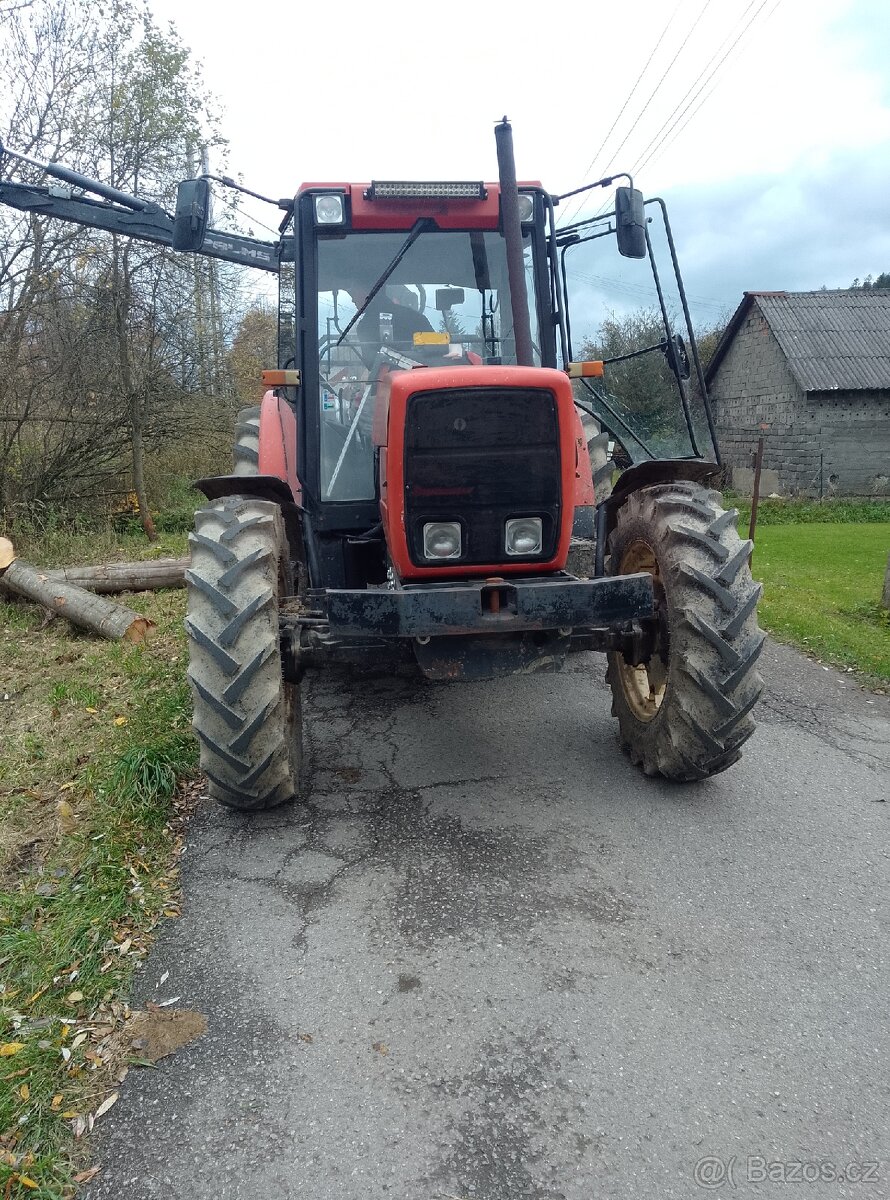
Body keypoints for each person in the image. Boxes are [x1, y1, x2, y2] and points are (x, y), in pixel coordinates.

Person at [342, 282, 434, 366]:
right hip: (429, 378)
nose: (353, 300)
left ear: (368, 292)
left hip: (387, 381)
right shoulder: (416, 318)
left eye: (354, 293)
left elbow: (371, 364)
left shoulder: (365, 326)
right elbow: (438, 347)